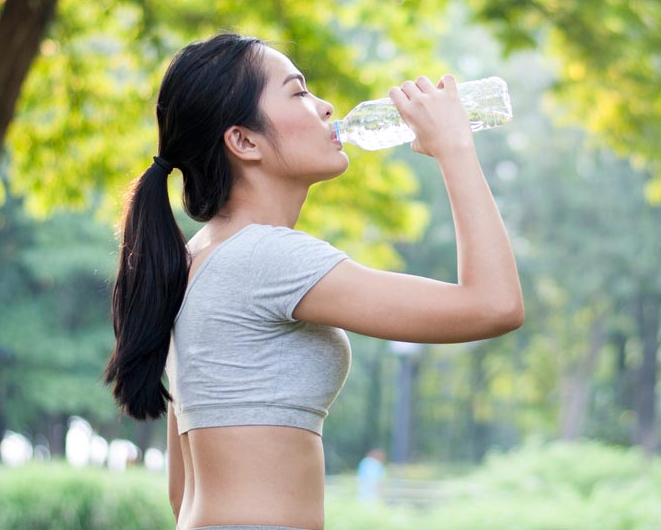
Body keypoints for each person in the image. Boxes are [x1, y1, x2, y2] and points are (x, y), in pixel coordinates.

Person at [103, 33, 524, 530]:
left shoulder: (197, 258)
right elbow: (494, 305)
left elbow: (183, 492)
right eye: (298, 92)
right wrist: (455, 147)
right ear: (243, 141)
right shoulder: (267, 258)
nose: (325, 106)